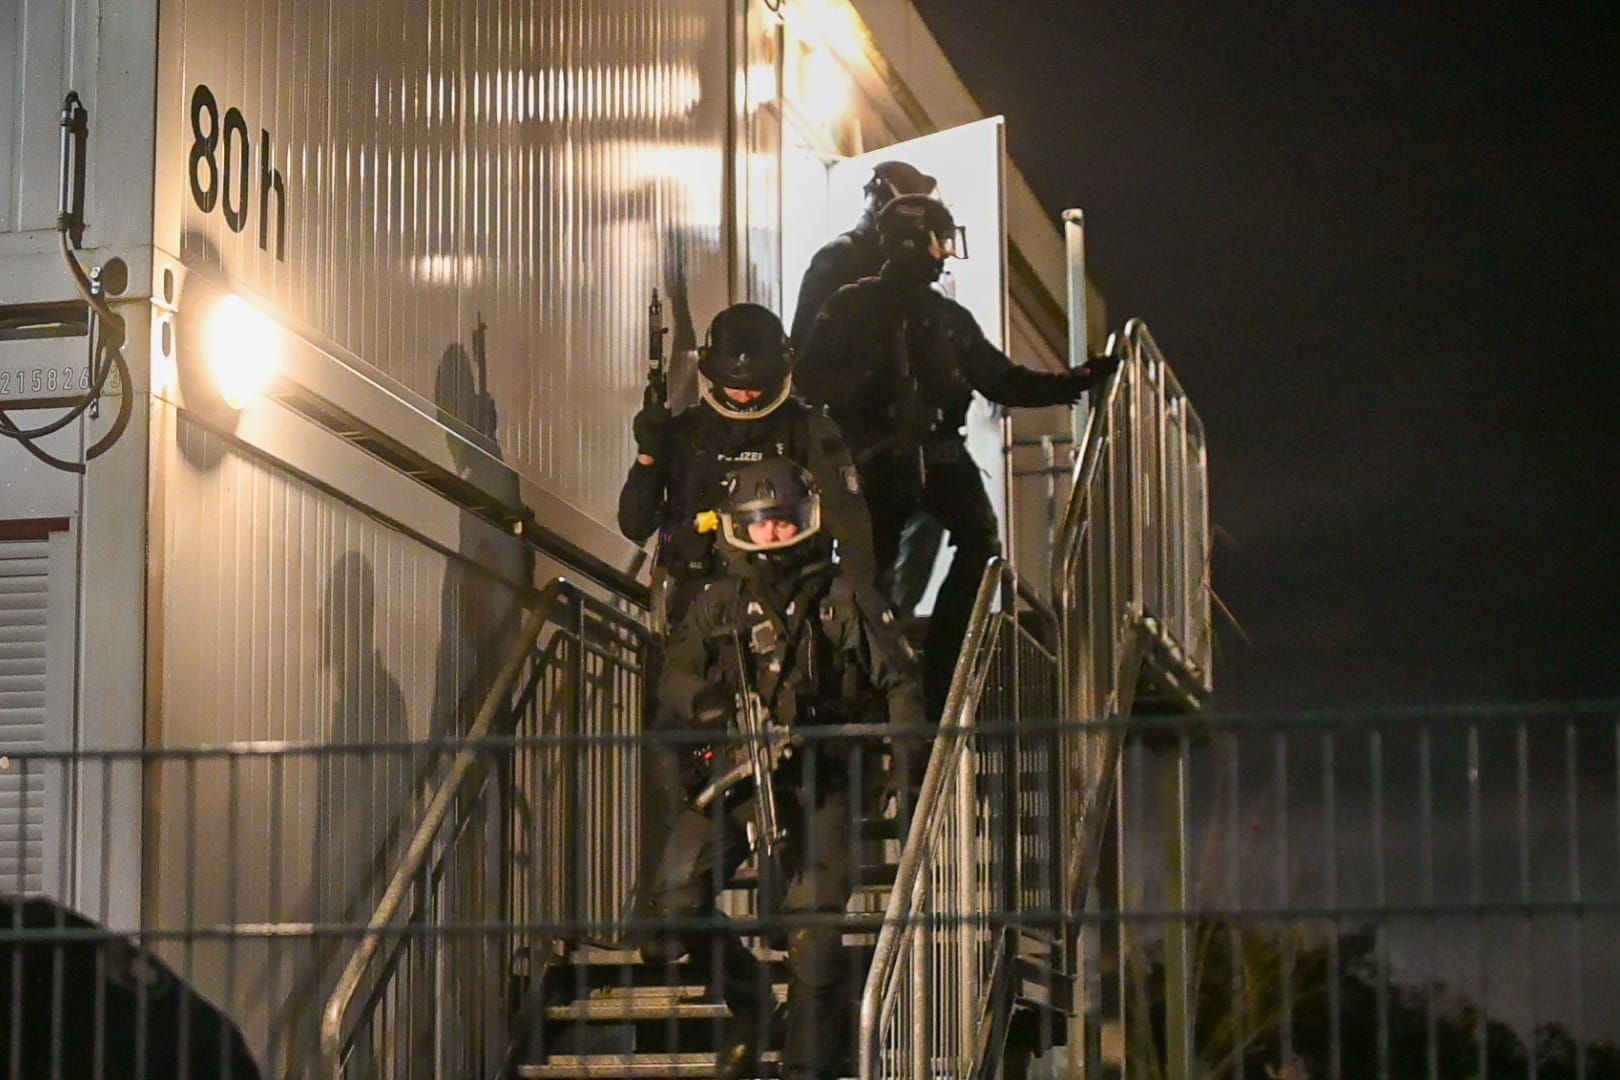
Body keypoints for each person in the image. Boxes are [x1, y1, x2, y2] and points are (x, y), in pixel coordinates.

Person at [644, 458, 927, 1080]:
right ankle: (751, 1003)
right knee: (672, 905)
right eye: (760, 524)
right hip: (739, 771)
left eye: (782, 522)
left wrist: (909, 783)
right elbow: (675, 675)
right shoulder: (716, 601)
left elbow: (900, 682)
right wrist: (707, 702)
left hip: (822, 778)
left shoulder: (845, 597)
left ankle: (809, 1064)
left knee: (812, 938)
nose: (772, 534)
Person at [796, 193, 1120, 719]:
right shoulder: (856, 306)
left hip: (923, 453)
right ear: (912, 240)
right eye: (940, 239)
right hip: (878, 457)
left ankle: (925, 670)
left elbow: (1002, 378)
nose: (946, 251)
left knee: (967, 545)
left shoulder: (932, 315)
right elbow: (811, 381)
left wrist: (1076, 381)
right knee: (877, 568)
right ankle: (887, 675)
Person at [618, 303, 876, 632]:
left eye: (753, 387)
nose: (743, 396)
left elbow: (854, 533)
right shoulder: (686, 433)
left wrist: (848, 607)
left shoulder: (808, 431)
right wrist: (648, 458)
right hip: (696, 610)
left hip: (789, 610)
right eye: (734, 386)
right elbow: (634, 524)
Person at [787, 160, 937, 350]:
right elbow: (805, 344)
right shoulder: (838, 256)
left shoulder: (905, 260)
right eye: (910, 207)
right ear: (882, 200)